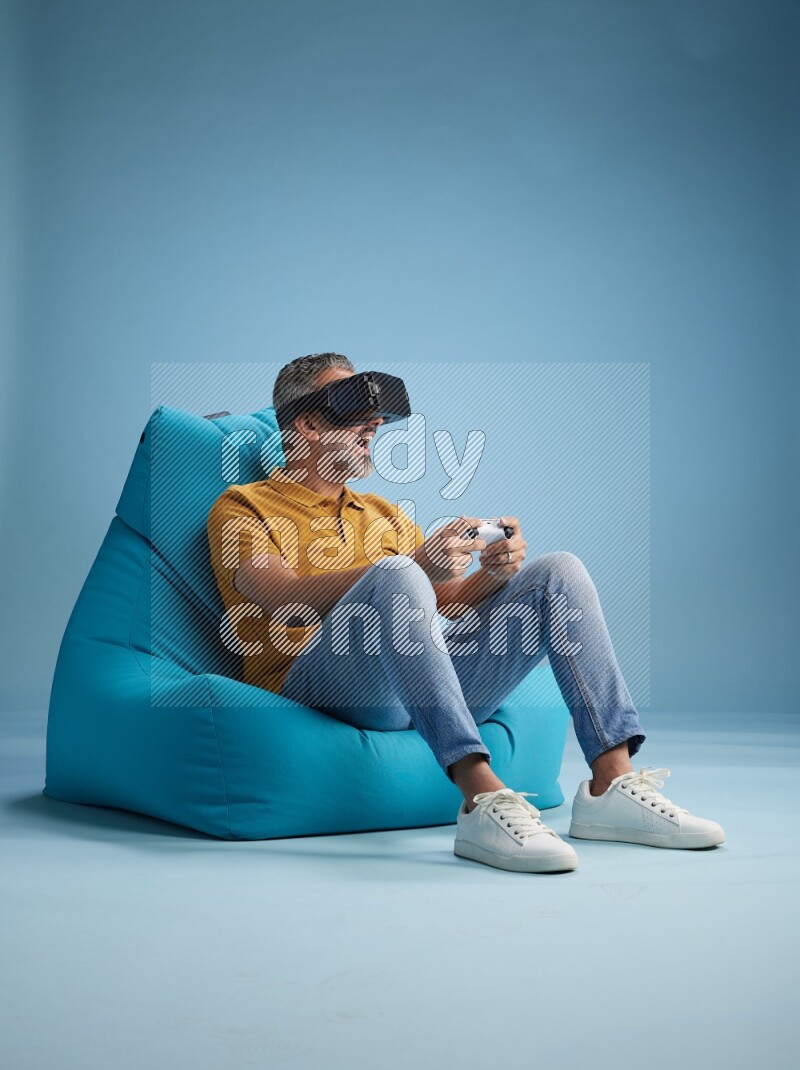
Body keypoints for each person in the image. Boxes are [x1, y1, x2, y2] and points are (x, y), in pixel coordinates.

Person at [207, 352, 725, 873]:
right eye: (353, 410)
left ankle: (610, 781)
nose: (374, 425)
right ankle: (479, 796)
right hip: (321, 687)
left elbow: (447, 601)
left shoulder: (383, 513)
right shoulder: (244, 505)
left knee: (557, 571)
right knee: (396, 573)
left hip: (415, 687)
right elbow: (279, 594)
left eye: (378, 416)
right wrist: (411, 564)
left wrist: (495, 573)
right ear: (308, 424)